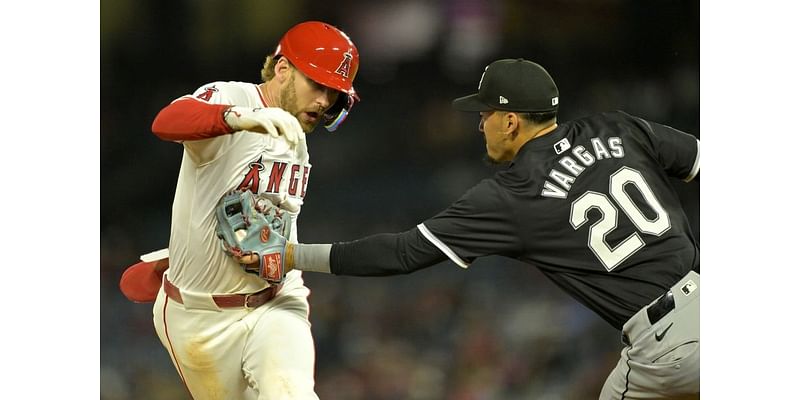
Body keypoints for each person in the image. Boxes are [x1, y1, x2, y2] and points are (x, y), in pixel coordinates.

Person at [269, 58, 700, 399]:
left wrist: (291, 254)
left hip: (664, 348)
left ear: (511, 121)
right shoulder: (618, 127)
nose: (480, 124)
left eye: (486, 112)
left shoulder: (512, 195)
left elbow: (400, 253)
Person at [137, 21, 360, 400]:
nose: (324, 101)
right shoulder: (233, 95)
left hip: (276, 301)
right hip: (199, 320)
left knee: (292, 393)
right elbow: (166, 123)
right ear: (283, 69)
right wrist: (236, 118)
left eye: (333, 93)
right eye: (317, 85)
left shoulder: (298, 141)